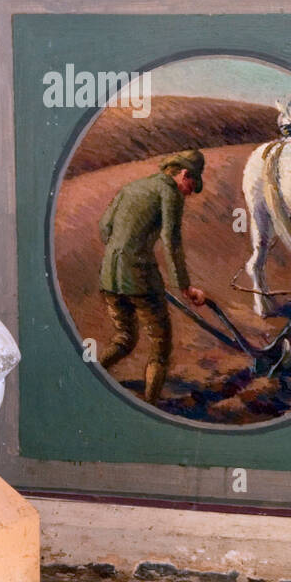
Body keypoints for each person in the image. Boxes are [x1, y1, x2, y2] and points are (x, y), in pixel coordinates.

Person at [97, 149, 208, 405]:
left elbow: (105, 228)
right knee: (160, 346)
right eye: (192, 184)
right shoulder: (169, 193)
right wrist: (185, 287)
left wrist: (122, 252)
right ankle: (150, 406)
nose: (190, 191)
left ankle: (89, 377)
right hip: (141, 279)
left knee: (124, 338)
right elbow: (171, 241)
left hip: (108, 277)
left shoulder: (131, 187)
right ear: (183, 174)